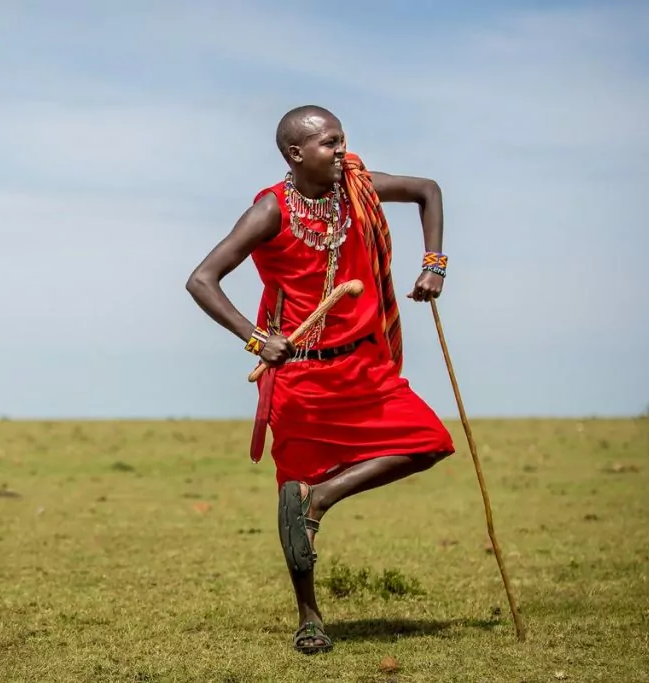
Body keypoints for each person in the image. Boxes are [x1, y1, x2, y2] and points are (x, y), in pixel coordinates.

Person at [184, 105, 456, 654]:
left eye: (341, 140)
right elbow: (202, 280)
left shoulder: (355, 187)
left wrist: (435, 263)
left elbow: (427, 189)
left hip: (363, 366)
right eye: (330, 143)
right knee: (291, 493)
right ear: (295, 153)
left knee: (430, 442)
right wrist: (257, 338)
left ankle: (323, 498)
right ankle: (309, 618)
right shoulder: (269, 211)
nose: (342, 152)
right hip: (302, 378)